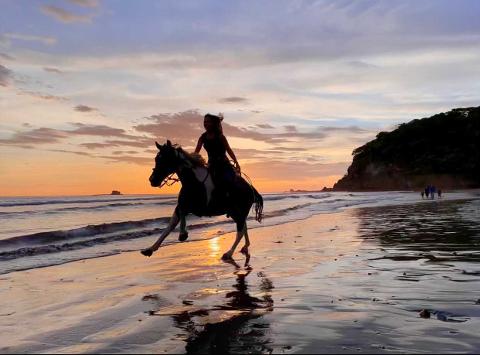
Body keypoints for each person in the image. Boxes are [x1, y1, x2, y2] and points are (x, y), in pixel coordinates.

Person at [195, 113, 240, 200]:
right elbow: (196, 152)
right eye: (204, 122)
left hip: (224, 164)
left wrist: (236, 162)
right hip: (211, 165)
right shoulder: (202, 137)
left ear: (213, 123)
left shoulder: (220, 136)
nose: (205, 123)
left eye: (208, 122)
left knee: (229, 181)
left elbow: (229, 150)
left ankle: (231, 200)